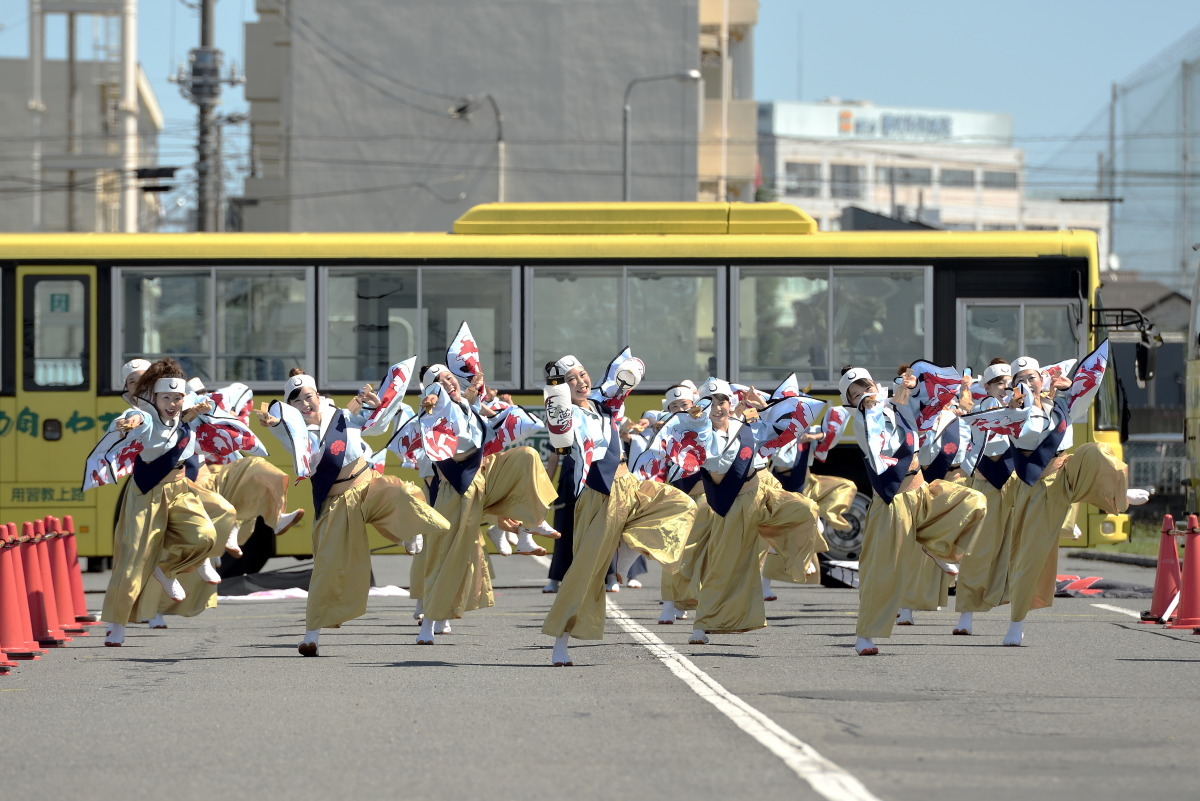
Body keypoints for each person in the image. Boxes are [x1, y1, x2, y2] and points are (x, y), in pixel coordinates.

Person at [258, 367, 451, 656]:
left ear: (318, 396)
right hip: (336, 501)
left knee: (404, 493)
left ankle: (407, 533)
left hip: (367, 484)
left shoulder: (342, 415)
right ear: (291, 408)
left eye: (308, 397)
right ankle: (312, 634)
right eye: (297, 402)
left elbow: (374, 424)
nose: (305, 404)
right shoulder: (293, 432)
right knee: (327, 567)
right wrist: (275, 422)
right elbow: (290, 438)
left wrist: (373, 403)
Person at [542, 351, 696, 666]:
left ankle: (624, 559)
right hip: (597, 495)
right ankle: (561, 640)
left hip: (629, 486)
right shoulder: (565, 413)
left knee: (679, 504)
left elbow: (632, 371)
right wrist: (556, 391)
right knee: (585, 572)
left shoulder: (602, 406)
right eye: (571, 380)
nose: (580, 381)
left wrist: (625, 378)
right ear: (561, 387)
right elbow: (561, 433)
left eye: (582, 374)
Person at [412, 322, 558, 645]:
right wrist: (439, 407)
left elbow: (484, 430)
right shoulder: (430, 412)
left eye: (449, 377)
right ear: (429, 391)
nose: (448, 382)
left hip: (482, 479)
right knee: (447, 557)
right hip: (454, 490)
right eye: (439, 381)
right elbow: (445, 439)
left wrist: (481, 400)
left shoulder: (465, 403)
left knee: (526, 458)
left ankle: (528, 525)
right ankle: (428, 622)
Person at [840, 366, 986, 655]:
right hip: (894, 501)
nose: (863, 396)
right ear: (850, 402)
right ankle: (865, 637)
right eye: (855, 395)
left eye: (865, 388)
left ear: (875, 386)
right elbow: (885, 442)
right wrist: (889, 402)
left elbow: (917, 410)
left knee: (973, 503)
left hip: (923, 492)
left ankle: (939, 546)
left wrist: (908, 388)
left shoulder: (893, 407)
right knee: (884, 572)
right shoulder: (863, 420)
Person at [676, 379, 822, 646]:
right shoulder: (698, 433)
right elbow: (712, 455)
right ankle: (702, 625)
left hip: (762, 494)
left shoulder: (744, 425)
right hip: (732, 503)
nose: (718, 407)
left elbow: (777, 432)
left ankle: (791, 553)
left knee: (805, 508)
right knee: (723, 567)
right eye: (710, 402)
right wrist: (697, 422)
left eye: (722, 401)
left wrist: (763, 407)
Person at [92, 358, 221, 647]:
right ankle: (116, 625)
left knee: (205, 536)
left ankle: (167, 570)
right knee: (132, 559)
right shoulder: (143, 413)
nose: (140, 385)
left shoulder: (174, 406)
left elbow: (184, 415)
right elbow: (138, 419)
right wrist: (130, 422)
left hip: (179, 487)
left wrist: (199, 409)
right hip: (147, 490)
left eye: (144, 379)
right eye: (133, 381)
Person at [1002, 354, 1129, 646]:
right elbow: (1030, 432)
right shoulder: (1012, 411)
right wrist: (1021, 407)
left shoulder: (1058, 403)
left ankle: (1115, 494)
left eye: (1031, 377)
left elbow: (1084, 395)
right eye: (1019, 380)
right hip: (1037, 483)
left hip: (1066, 472)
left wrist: (1068, 388)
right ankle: (1016, 621)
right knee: (1029, 555)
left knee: (1097, 452)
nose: (1027, 383)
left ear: (1041, 379)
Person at [952, 359, 1015, 635]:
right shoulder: (982, 408)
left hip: (1014, 485)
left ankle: (1017, 620)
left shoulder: (1025, 408)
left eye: (1008, 381)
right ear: (987, 386)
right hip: (986, 483)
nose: (1005, 386)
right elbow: (973, 436)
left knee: (1015, 553)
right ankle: (966, 614)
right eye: (999, 382)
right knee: (977, 551)